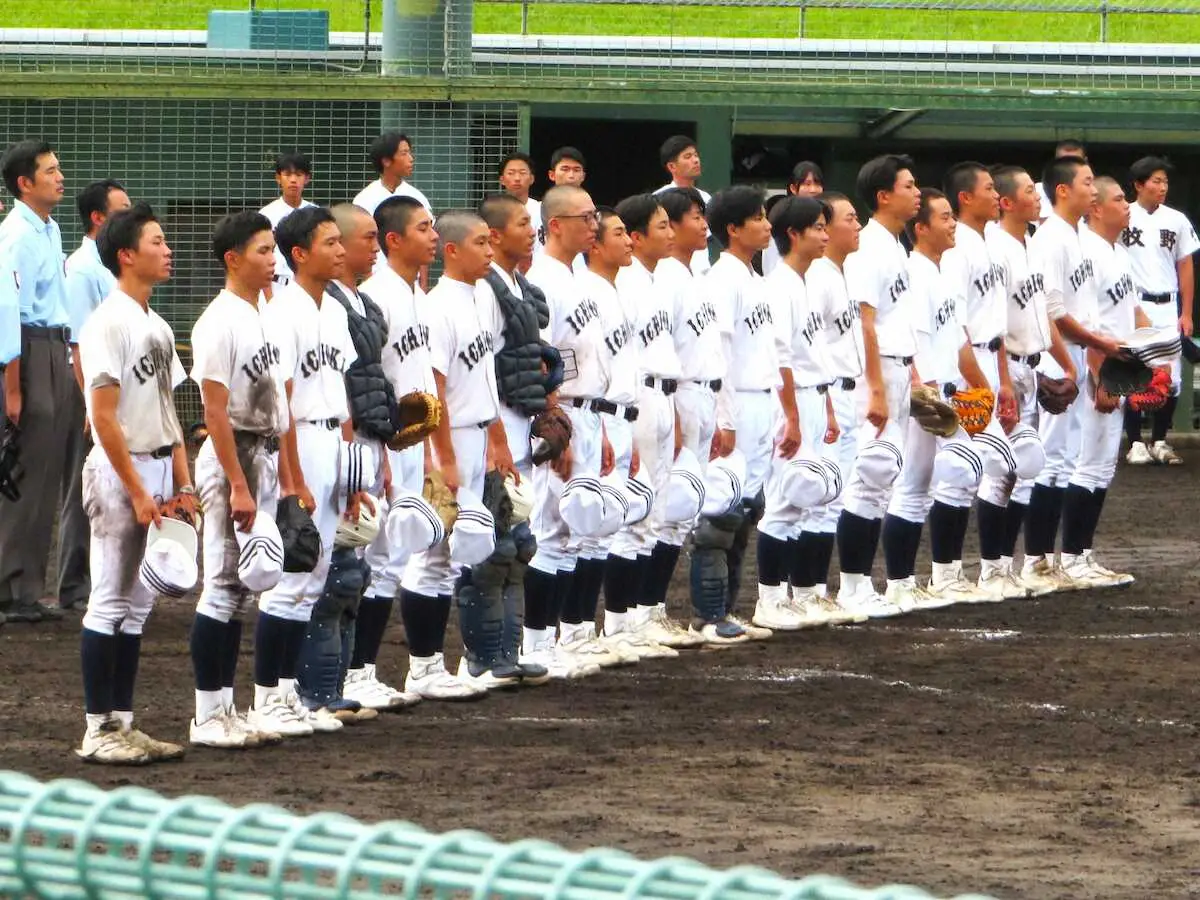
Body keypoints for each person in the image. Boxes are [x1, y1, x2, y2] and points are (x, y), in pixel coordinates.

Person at [76, 202, 193, 764]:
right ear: (126, 255)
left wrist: (183, 482)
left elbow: (169, 413)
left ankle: (123, 722)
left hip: (158, 471)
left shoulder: (159, 325)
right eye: (156, 241)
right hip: (118, 471)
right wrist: (140, 490)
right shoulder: (107, 322)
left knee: (138, 606)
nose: (167, 249)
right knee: (108, 601)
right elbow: (102, 417)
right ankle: (97, 729)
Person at [249, 206, 360, 737]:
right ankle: (266, 697)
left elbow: (341, 394)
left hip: (331, 440)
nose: (341, 251)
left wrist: (352, 470)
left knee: (314, 577)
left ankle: (290, 694)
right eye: (331, 243)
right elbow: (281, 404)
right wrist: (291, 481)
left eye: (343, 242)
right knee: (291, 576)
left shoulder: (334, 310)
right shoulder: (282, 311)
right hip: (297, 446)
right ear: (300, 254)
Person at [188, 211, 290, 749]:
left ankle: (227, 710)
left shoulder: (264, 312)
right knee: (223, 588)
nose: (273, 260)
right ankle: (207, 714)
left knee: (244, 592)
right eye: (263, 251)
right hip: (234, 458)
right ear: (233, 259)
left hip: (263, 456)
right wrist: (238, 483)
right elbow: (215, 410)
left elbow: (280, 402)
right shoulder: (218, 320)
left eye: (274, 250)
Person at [398, 210, 510, 696]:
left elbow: (485, 374)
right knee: (433, 554)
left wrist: (497, 439)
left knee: (463, 551)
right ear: (452, 251)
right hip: (452, 436)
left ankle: (445, 665)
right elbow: (435, 389)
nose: (490, 250)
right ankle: (422, 668)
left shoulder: (481, 296)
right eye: (482, 242)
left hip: (477, 432)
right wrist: (443, 458)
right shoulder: (438, 306)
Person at [355, 196, 446, 703]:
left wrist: (429, 452)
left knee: (392, 558)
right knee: (373, 558)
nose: (431, 235)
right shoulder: (379, 296)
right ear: (395, 239)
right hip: (383, 444)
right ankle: (352, 672)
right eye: (423, 227)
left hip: (411, 444)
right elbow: (375, 385)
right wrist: (391, 453)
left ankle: (364, 672)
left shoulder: (415, 294)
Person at [522, 185, 609, 677]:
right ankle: (535, 644)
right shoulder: (544, 281)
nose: (593, 224)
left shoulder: (578, 277)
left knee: (575, 534)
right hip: (566, 413)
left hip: (590, 410)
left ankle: (554, 640)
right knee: (551, 532)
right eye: (586, 216)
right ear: (555, 224)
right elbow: (539, 360)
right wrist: (554, 422)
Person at [1025, 154, 1121, 590]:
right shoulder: (1051, 239)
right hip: (1059, 357)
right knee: (1052, 461)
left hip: (1081, 355)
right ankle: (1036, 562)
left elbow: (1087, 310)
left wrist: (1097, 358)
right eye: (1086, 181)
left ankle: (1059, 560)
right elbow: (1052, 312)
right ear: (1063, 190)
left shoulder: (1077, 235)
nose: (1092, 189)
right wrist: (1092, 350)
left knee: (1067, 461)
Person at [880, 187, 977, 612]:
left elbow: (956, 340)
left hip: (947, 386)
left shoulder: (942, 271)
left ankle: (945, 575)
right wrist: (924, 394)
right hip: (924, 390)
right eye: (943, 217)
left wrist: (977, 386)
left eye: (953, 216)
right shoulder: (915, 272)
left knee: (957, 476)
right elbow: (914, 342)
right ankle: (901, 582)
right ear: (921, 228)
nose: (952, 223)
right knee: (915, 484)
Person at [983, 164, 1076, 598]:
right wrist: (1002, 381)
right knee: (1000, 470)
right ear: (1006, 202)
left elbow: (1044, 316)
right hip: (1008, 367)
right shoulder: (995, 249)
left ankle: (1004, 566)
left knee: (1026, 469)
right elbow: (994, 325)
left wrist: (1067, 365)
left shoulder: (1033, 243)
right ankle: (990, 570)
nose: (1036, 196)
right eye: (1027, 191)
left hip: (1032, 366)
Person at [833, 155, 920, 617]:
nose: (918, 192)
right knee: (869, 476)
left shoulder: (894, 244)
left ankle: (862, 584)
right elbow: (864, 324)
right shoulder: (869, 246)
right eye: (909, 185)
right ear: (883, 195)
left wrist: (914, 375)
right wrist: (878, 389)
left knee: (884, 479)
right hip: (878, 368)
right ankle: (852, 586)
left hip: (898, 365)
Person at [691, 184, 778, 643]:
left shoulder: (755, 278)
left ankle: (727, 608)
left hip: (761, 401)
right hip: (737, 402)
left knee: (748, 508)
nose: (767, 225)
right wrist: (723, 418)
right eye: (758, 218)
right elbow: (718, 354)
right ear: (732, 229)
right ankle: (707, 614)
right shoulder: (722, 280)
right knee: (721, 513)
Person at [610, 193, 696, 648]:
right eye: (660, 226)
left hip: (664, 395)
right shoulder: (622, 283)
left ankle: (642, 616)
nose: (669, 233)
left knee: (657, 514)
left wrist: (677, 409)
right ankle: (620, 621)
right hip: (639, 395)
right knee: (635, 512)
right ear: (637, 235)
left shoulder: (659, 279)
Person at [753, 194, 841, 630]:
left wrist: (825, 408)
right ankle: (769, 600)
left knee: (813, 499)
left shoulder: (810, 281)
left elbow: (814, 352)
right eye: (818, 228)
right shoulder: (780, 285)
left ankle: (799, 595)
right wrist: (791, 417)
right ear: (793, 234)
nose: (825, 235)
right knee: (785, 501)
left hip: (813, 395)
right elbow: (781, 360)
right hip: (791, 399)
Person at [924, 162, 1009, 605]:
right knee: (961, 471)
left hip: (990, 360)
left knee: (1002, 466)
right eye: (989, 188)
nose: (997, 195)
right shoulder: (958, 253)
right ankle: (946, 573)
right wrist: (982, 385)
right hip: (965, 367)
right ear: (965, 197)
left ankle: (993, 569)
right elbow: (957, 328)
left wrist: (1002, 379)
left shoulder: (990, 242)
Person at [0, 139, 72, 625]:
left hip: (54, 346)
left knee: (45, 474)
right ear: (25, 183)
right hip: (28, 350)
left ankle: (27, 587)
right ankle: (8, 588)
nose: (59, 176)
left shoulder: (49, 228)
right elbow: (7, 309)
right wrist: (14, 385)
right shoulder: (16, 235)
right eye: (49, 170)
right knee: (23, 472)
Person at [652, 187, 727, 629]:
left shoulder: (693, 274)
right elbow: (668, 355)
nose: (703, 225)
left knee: (683, 514)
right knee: (668, 510)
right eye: (694, 217)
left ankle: (653, 610)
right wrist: (679, 417)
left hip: (705, 395)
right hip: (680, 396)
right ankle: (646, 610)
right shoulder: (665, 279)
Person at [61, 179, 132, 613]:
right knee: (80, 485)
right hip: (91, 391)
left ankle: (112, 575)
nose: (131, 215)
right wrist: (90, 402)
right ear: (98, 218)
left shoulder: (116, 264)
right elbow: (78, 343)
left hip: (119, 391)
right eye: (121, 210)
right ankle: (73, 583)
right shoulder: (83, 268)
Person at [1067, 176, 1141, 586]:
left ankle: (1082, 554)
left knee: (1102, 468)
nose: (1126, 204)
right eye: (1118, 199)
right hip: (1097, 373)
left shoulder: (1119, 252)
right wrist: (1101, 378)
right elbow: (1086, 324)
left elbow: (1134, 314)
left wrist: (1153, 361)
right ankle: (1072, 557)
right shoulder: (1087, 254)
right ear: (1096, 208)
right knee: (1086, 466)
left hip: (1120, 370)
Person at [793, 191, 864, 618]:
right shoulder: (815, 278)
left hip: (843, 391)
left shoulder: (841, 272)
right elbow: (810, 348)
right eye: (846, 219)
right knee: (815, 497)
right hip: (825, 390)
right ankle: (801, 590)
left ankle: (814, 589)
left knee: (834, 496)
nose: (856, 226)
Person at [1122, 156, 1199, 466]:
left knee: (1171, 378)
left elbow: (1186, 265)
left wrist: (1187, 312)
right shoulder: (1121, 214)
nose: (1162, 186)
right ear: (1139, 185)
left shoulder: (1176, 219)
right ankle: (1135, 442)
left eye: (1165, 181)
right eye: (1155, 181)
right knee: (1133, 373)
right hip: (1132, 303)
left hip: (1167, 304)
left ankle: (1160, 440)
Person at [653, 136, 712, 275]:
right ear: (672, 166)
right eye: (688, 156)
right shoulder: (658, 199)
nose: (696, 160)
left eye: (696, 155)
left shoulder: (707, 198)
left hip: (701, 268)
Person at [259, 150, 316, 287]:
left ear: (307, 178)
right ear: (278, 178)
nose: (293, 180)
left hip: (308, 284)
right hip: (275, 284)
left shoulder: (316, 213)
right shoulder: (266, 214)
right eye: (287, 174)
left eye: (298, 174)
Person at [762, 161, 825, 276]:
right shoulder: (782, 220)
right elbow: (771, 267)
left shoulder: (825, 217)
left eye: (817, 184)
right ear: (793, 188)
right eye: (807, 184)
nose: (813, 189)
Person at [354, 132, 432, 216]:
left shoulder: (417, 197)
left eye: (409, 153)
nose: (411, 159)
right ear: (386, 161)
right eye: (404, 153)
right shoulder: (364, 199)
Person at [1035, 140, 1086, 223]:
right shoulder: (1038, 190)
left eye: (1075, 162)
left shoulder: (1094, 191)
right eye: (1064, 162)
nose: (1069, 168)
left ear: (1085, 162)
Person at [498, 151, 540, 238]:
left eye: (522, 173)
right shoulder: (494, 211)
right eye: (511, 173)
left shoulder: (541, 210)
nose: (517, 178)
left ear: (532, 179)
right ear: (502, 180)